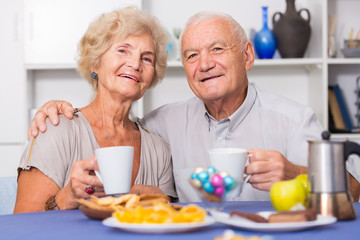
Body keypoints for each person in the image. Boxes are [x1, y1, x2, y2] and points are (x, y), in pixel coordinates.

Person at [28, 11, 360, 202]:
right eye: (191, 55)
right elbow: (108, 121)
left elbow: (355, 193)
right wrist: (55, 108)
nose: (204, 65)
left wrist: (294, 173)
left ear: (247, 55)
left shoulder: (293, 119)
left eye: (217, 48)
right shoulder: (162, 125)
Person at [14, 7, 177, 213]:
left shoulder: (159, 149)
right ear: (95, 63)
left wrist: (163, 202)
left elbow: (169, 225)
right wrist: (65, 199)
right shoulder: (55, 130)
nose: (135, 64)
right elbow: (22, 228)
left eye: (146, 58)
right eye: (122, 50)